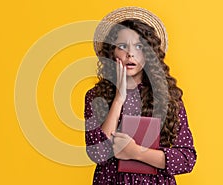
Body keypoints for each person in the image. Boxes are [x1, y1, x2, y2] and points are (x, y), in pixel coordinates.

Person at [84, 7, 197, 184]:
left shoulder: (168, 97)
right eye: (122, 46)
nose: (130, 53)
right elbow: (97, 153)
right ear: (111, 52)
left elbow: (186, 159)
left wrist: (135, 152)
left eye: (139, 46)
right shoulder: (96, 96)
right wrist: (118, 99)